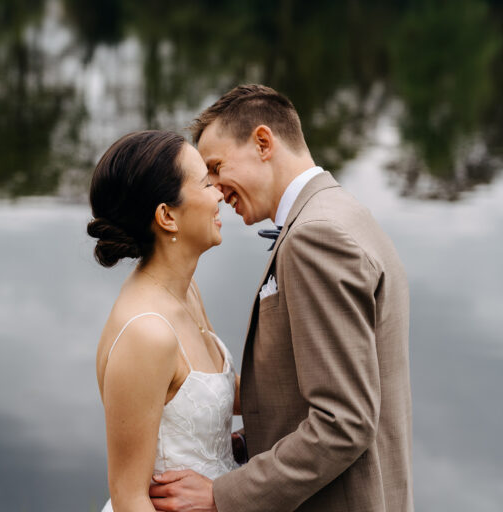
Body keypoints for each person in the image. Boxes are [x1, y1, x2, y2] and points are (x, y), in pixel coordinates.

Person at [149, 85, 413, 511]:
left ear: (263, 142)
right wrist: (231, 445)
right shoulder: (342, 212)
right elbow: (312, 392)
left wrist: (222, 495)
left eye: (216, 167)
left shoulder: (317, 236)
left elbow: (343, 423)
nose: (215, 189)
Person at [87, 130, 240, 512]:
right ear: (167, 216)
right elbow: (130, 499)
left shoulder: (187, 292)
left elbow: (214, 396)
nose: (220, 193)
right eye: (206, 182)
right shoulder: (147, 333)